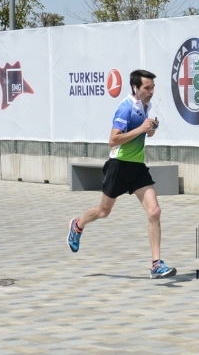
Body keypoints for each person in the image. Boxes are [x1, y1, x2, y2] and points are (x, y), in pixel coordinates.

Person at [67, 69, 177, 279]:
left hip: (137, 168)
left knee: (154, 212)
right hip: (118, 166)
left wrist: (149, 130)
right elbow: (113, 140)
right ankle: (77, 225)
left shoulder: (145, 106)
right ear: (135, 88)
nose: (151, 91)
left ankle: (156, 264)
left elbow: (141, 132)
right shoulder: (125, 108)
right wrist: (141, 129)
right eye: (147, 88)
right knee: (103, 211)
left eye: (153, 87)